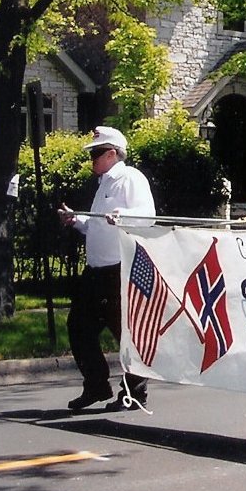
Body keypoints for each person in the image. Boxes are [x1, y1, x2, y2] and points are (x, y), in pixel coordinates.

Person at [58, 126, 156, 412]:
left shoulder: (129, 178)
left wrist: (123, 216)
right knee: (79, 328)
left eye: (97, 153)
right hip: (97, 271)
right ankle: (97, 385)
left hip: (118, 270)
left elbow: (147, 216)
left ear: (113, 153)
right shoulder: (105, 184)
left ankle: (134, 394)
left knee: (126, 334)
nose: (93, 159)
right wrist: (76, 221)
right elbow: (98, 226)